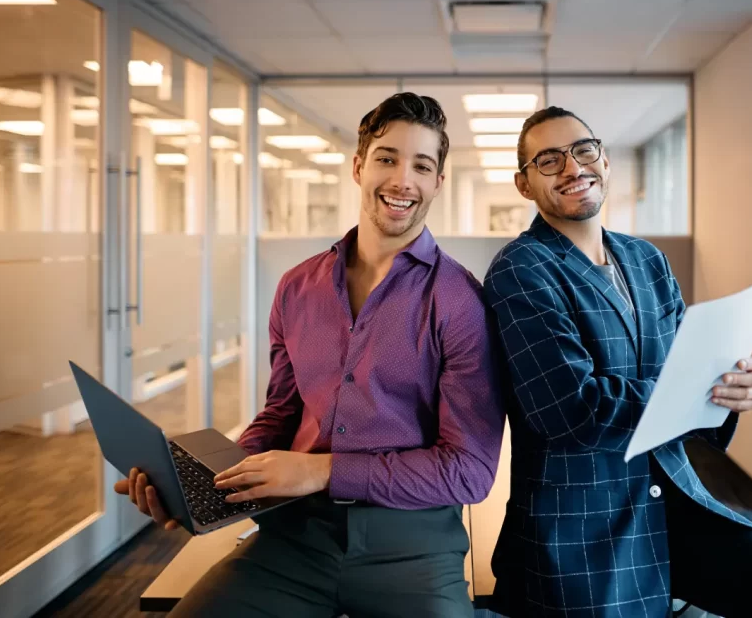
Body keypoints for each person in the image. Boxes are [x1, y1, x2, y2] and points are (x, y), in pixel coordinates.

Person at [483, 106, 752, 618]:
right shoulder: (521, 270)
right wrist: (692, 384)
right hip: (584, 529)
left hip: (676, 503)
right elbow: (571, 409)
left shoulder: (646, 260)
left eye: (583, 151)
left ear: (605, 161)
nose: (572, 167)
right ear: (524, 185)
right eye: (549, 160)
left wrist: (729, 391)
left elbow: (689, 375)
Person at [115, 93, 506, 618]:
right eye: (387, 158)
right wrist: (208, 482)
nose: (402, 180)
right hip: (292, 539)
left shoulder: (460, 302)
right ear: (358, 166)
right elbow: (280, 416)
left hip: (411, 544)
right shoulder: (297, 287)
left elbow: (468, 473)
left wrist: (320, 471)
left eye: (421, 165)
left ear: (438, 181)